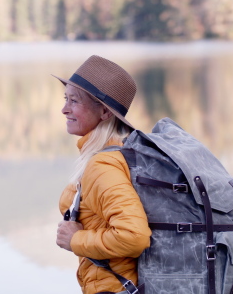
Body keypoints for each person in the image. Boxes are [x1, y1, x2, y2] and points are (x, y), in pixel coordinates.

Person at [54, 55, 151, 294]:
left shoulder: (103, 165)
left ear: (105, 113)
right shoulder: (120, 151)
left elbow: (134, 236)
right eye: (66, 98)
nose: (64, 109)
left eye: (74, 101)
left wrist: (76, 240)